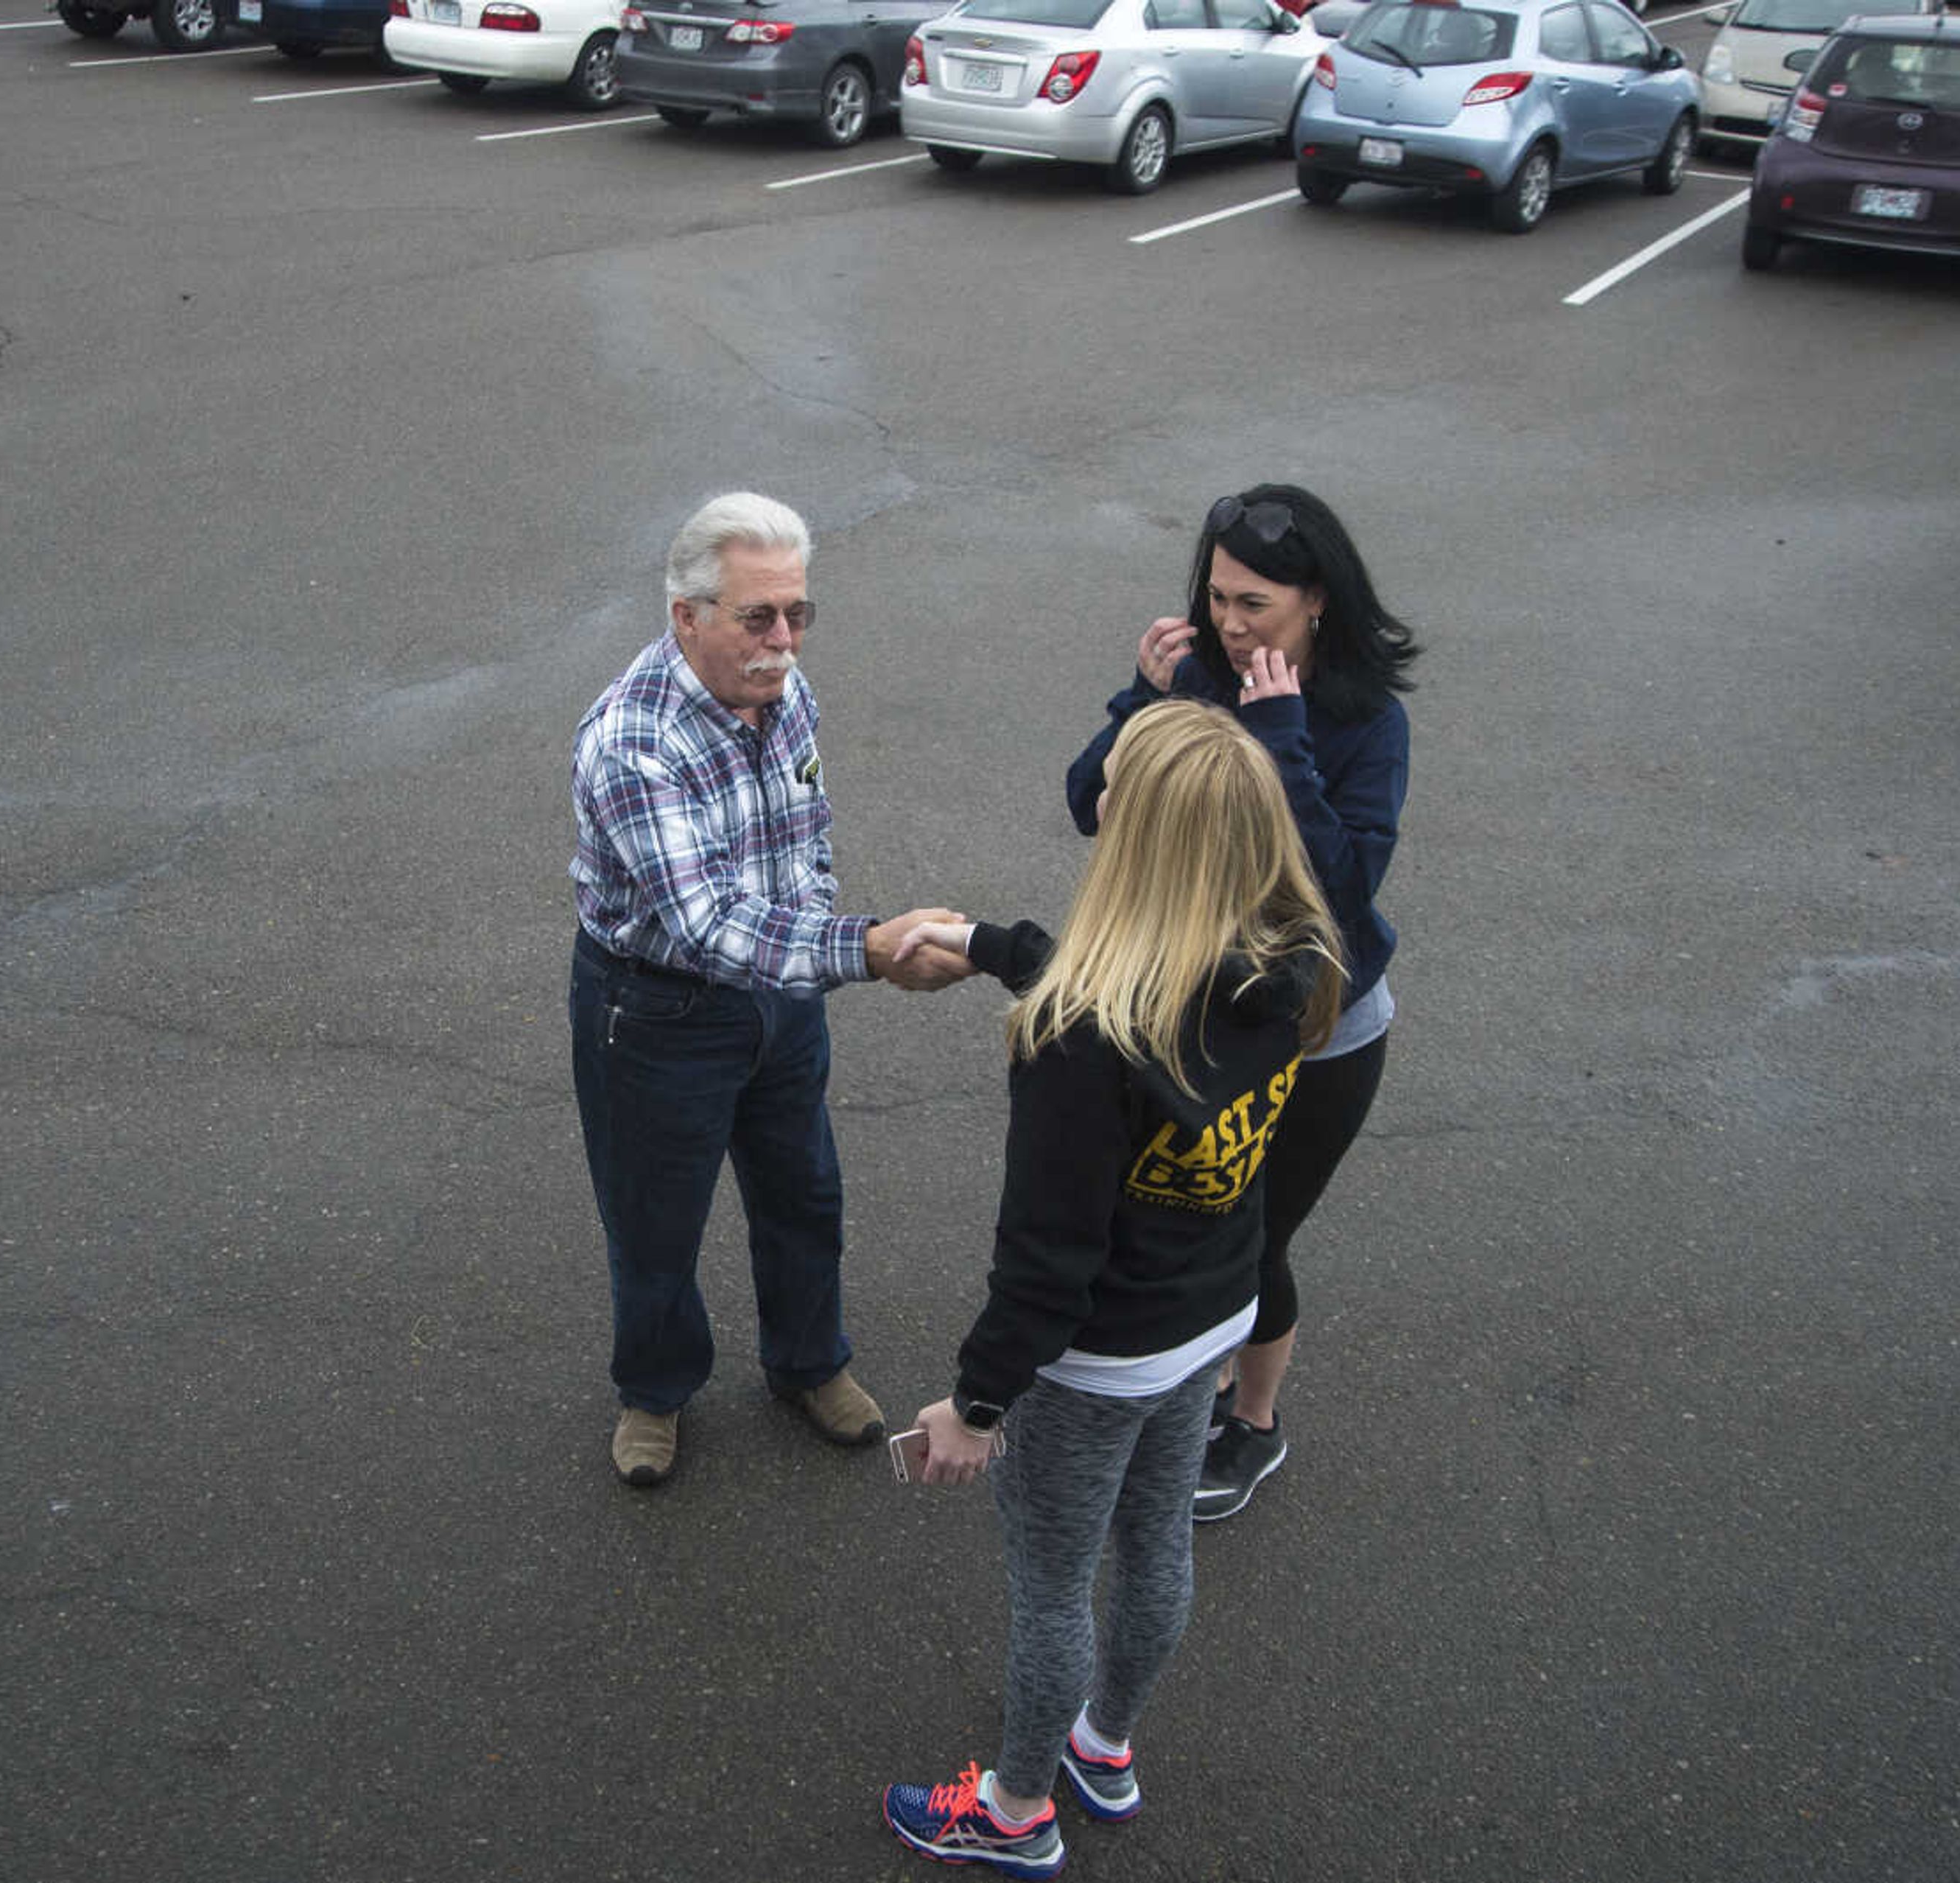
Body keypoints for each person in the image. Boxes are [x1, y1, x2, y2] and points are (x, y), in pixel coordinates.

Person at [880, 701, 1346, 1877]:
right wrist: (991, 941)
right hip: (1212, 1320)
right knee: (1155, 1548)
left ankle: (1016, 1808)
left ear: (1134, 841)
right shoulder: (1293, 965)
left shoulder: (1077, 1041)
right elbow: (1146, 986)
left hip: (1092, 1363)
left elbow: (1046, 1262)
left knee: (1048, 1586)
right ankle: (1108, 1746)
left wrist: (974, 1408)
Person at [568, 491, 973, 1489]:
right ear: (688, 617)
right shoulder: (632, 742)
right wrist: (867, 949)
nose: (784, 639)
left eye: (798, 614)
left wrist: (828, 927)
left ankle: (808, 1363)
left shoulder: (785, 691)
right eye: (759, 617)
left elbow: (804, 833)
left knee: (804, 1193)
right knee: (656, 1222)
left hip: (784, 994)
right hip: (658, 1012)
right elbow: (705, 921)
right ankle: (656, 1391)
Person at [1061, 483, 1418, 1522]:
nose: (1226, 621)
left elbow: (1342, 894)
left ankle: (1253, 1425)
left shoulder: (1364, 723)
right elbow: (1094, 803)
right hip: (1190, 1017)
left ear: (1318, 603)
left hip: (1316, 1036)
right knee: (1188, 1224)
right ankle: (1195, 1387)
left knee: (1255, 1237)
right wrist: (1142, 694)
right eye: (1216, 596)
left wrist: (1282, 734)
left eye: (1253, 602)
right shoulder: (1199, 679)